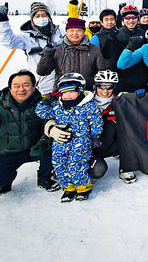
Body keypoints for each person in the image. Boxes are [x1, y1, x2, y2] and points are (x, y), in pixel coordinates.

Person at [0, 70, 59, 196]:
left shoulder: (42, 104)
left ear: (34, 87)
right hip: (9, 152)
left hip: (34, 149)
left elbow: (48, 127)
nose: (21, 89)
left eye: (26, 85)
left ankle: (44, 178)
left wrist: (43, 142)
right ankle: (7, 178)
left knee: (52, 147)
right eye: (16, 86)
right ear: (10, 88)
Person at [36, 73, 103, 202]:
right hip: (61, 141)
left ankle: (83, 187)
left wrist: (96, 135)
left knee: (76, 163)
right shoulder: (57, 105)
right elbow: (41, 113)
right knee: (59, 163)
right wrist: (45, 103)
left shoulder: (87, 105)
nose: (67, 96)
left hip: (81, 141)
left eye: (71, 92)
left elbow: (96, 120)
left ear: (80, 91)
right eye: (64, 93)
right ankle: (68, 187)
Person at [0, 1, 64, 95]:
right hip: (43, 88)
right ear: (32, 19)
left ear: (49, 17)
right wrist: (3, 21)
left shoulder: (60, 32)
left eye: (44, 15)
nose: (41, 18)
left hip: (63, 86)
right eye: (37, 16)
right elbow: (8, 41)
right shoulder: (27, 37)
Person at [87, 70, 137, 184]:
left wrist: (137, 98)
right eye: (101, 86)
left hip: (109, 143)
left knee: (130, 133)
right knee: (98, 171)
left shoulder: (119, 101)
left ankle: (126, 168)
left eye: (109, 87)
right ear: (95, 86)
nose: (105, 91)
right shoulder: (85, 101)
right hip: (89, 148)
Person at [37, 17, 105, 92]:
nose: (75, 33)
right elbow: (42, 71)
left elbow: (100, 72)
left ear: (84, 32)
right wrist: (48, 52)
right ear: (66, 32)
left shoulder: (94, 50)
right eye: (71, 30)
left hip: (85, 93)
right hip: (62, 94)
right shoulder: (58, 49)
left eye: (79, 30)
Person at [100, 5, 148, 94]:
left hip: (139, 79)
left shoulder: (143, 33)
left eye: (134, 17)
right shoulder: (117, 34)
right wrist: (109, 39)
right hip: (121, 79)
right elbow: (106, 55)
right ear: (123, 20)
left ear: (137, 19)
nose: (131, 21)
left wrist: (145, 77)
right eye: (127, 18)